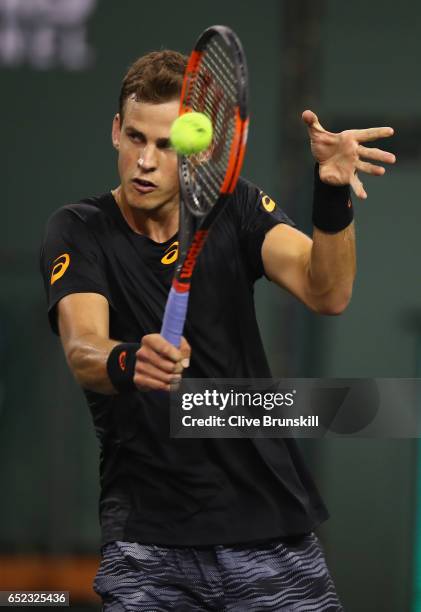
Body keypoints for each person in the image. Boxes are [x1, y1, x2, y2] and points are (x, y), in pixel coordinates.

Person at [40, 50, 395, 611]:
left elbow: (328, 292)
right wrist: (132, 361)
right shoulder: (79, 230)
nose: (146, 162)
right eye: (135, 138)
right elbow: (85, 348)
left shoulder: (238, 208)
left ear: (198, 148)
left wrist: (331, 194)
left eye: (165, 145)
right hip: (147, 547)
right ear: (115, 131)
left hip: (271, 531)